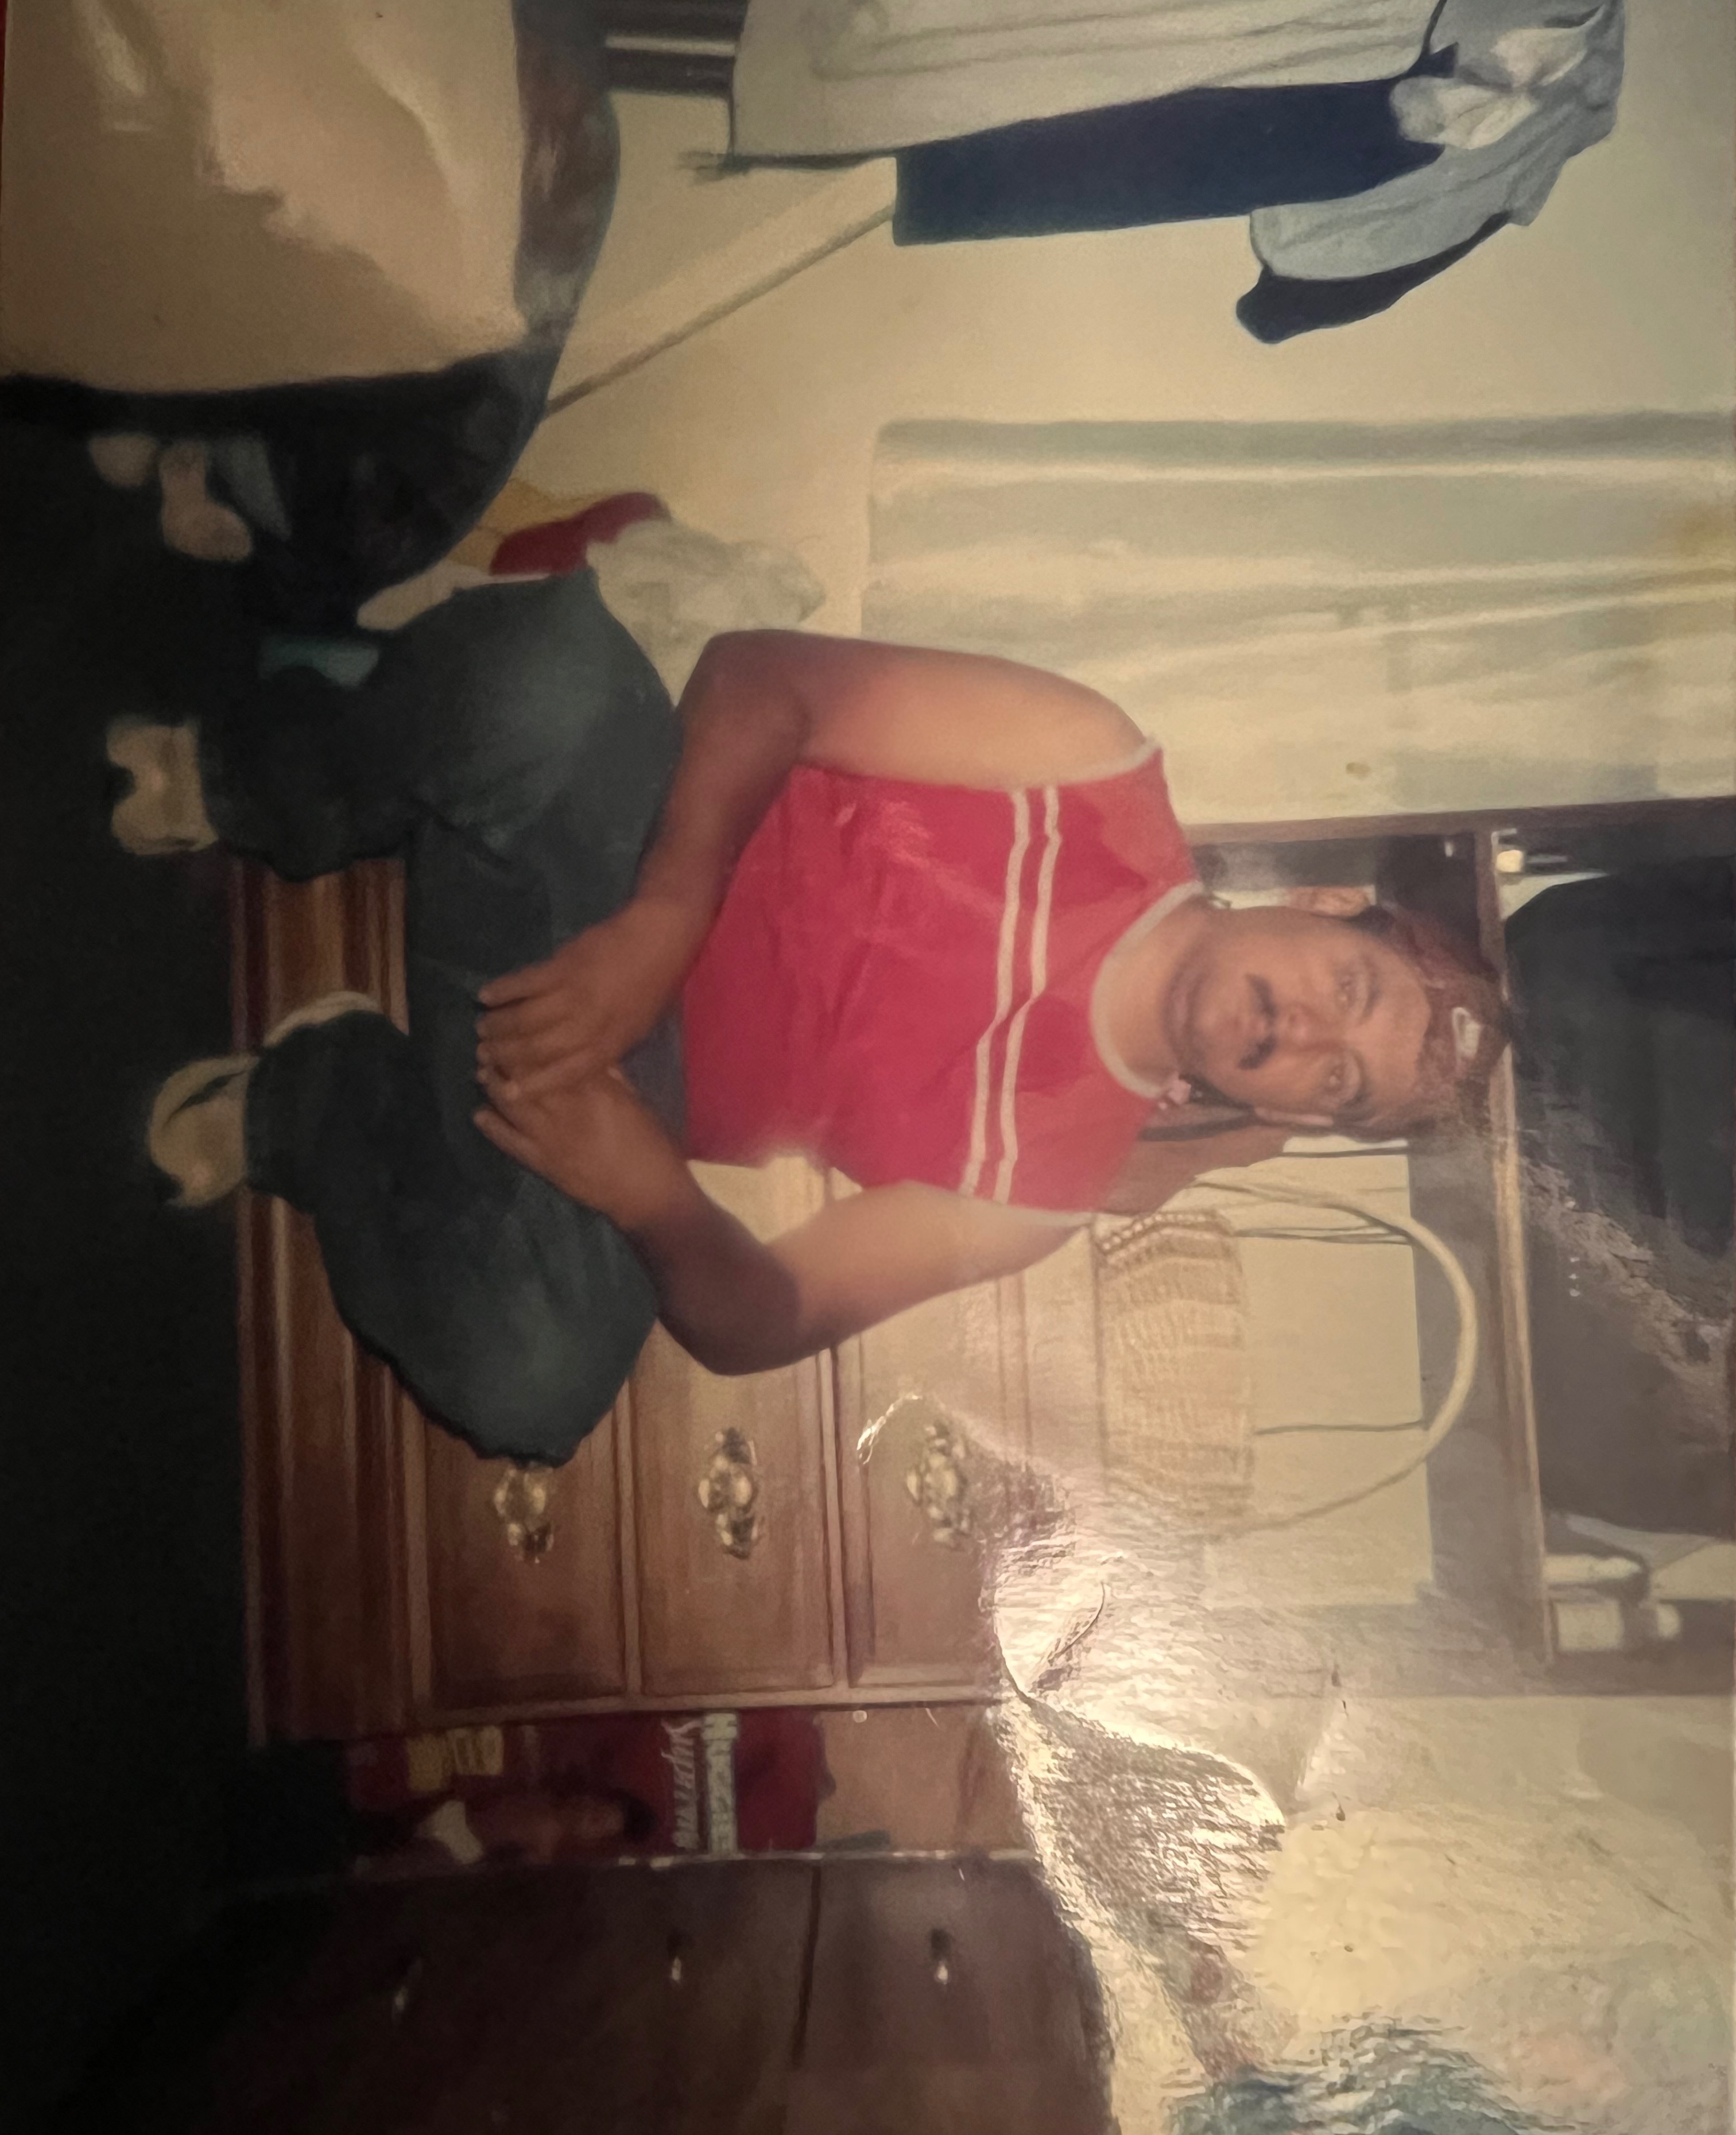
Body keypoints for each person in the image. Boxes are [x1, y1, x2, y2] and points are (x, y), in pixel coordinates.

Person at [120, 563, 1506, 1461]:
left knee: (535, 1380)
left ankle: (326, 1100)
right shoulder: (1092, 764)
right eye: (1350, 990)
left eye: (1340, 1085)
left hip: (568, 1077)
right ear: (1323, 906)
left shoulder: (1053, 1187)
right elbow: (758, 678)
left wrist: (652, 1194)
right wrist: (665, 921)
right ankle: (257, 784)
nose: (1305, 1038)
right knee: (545, 664)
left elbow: (767, 1318)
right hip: (616, 844)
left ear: (1290, 1116)